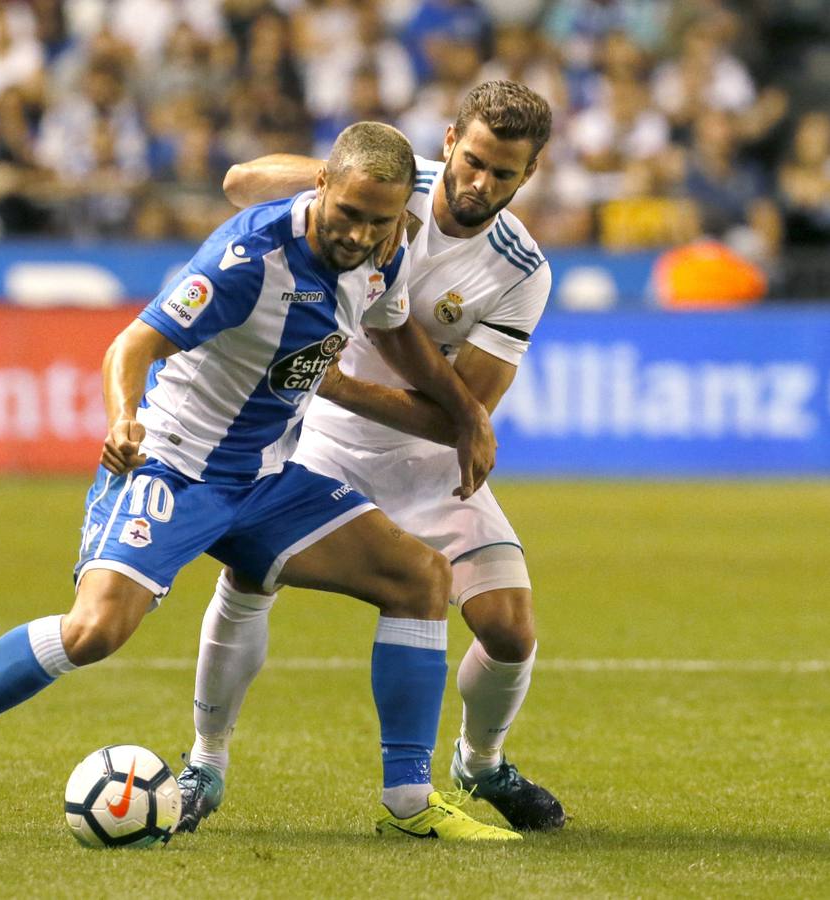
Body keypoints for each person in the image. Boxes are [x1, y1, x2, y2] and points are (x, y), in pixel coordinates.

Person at [0, 121, 519, 844]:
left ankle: (410, 803)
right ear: (321, 182)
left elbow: (393, 329)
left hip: (264, 477)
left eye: (378, 221)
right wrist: (122, 419)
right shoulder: (248, 260)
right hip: (175, 464)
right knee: (94, 631)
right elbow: (132, 343)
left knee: (419, 577)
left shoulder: (386, 250)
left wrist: (463, 412)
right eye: (349, 214)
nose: (359, 235)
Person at [179, 81, 566, 834]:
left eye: (503, 173)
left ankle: (480, 763)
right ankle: (205, 761)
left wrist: (331, 379)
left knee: (509, 629)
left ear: (530, 174)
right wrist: (333, 180)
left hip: (420, 459)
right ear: (450, 142)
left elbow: (456, 417)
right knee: (249, 575)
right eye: (473, 160)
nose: (479, 183)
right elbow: (239, 183)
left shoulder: (521, 270)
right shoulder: (388, 185)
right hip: (318, 437)